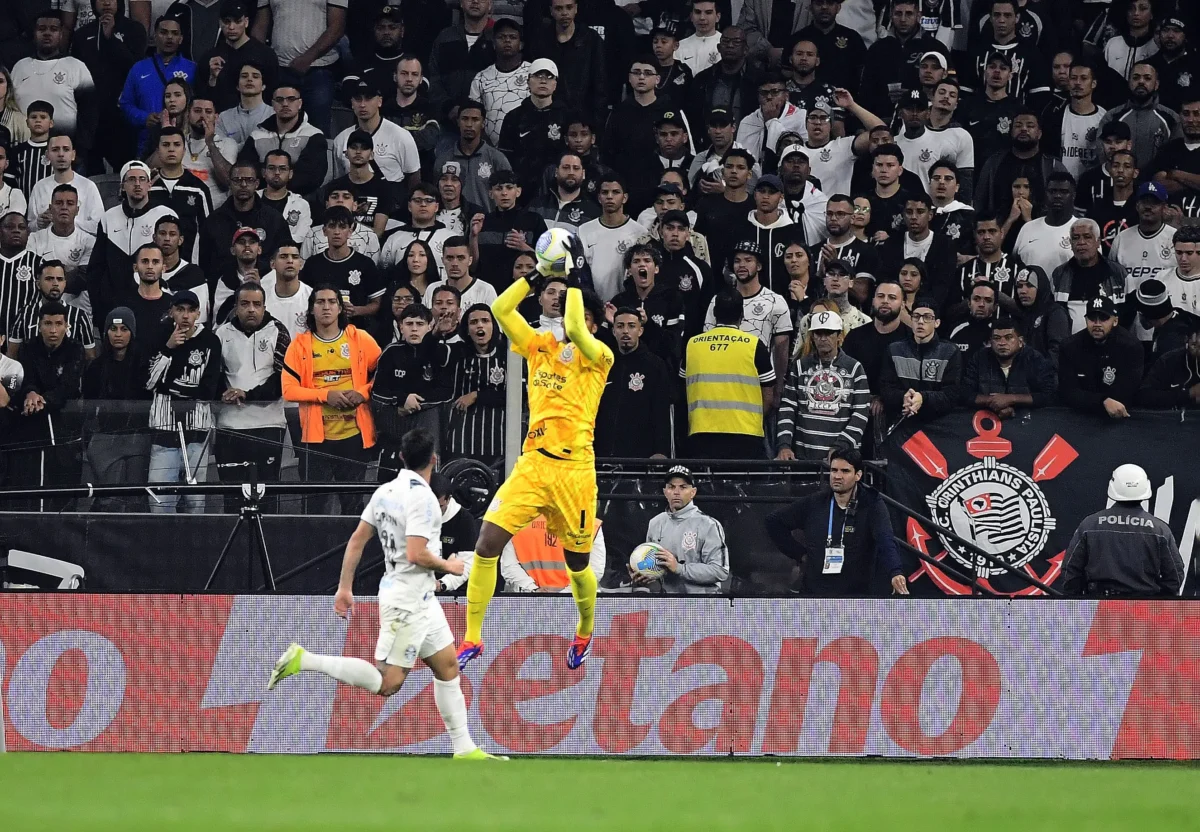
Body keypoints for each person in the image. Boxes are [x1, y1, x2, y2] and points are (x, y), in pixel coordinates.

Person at [267, 428, 506, 761]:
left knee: (448, 666)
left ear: (402, 457)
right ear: (434, 460)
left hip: (419, 596)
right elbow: (416, 554)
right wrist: (449, 567)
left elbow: (357, 540)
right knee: (387, 684)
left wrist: (345, 587)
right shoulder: (424, 499)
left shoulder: (384, 492)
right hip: (407, 600)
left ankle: (464, 748)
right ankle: (304, 660)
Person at [456, 250, 614, 671]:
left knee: (577, 563)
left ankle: (584, 631)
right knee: (487, 544)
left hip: (575, 471)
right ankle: (472, 637)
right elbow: (500, 309)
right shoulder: (540, 348)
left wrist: (576, 271)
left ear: (596, 325)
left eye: (572, 313)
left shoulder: (599, 356)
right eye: (560, 314)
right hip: (533, 465)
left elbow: (579, 326)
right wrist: (536, 274)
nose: (565, 321)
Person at [281, 285, 382, 515]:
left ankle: (352, 552)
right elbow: (288, 390)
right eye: (320, 302)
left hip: (354, 437)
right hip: (315, 440)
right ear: (311, 309)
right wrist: (326, 396)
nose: (326, 307)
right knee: (315, 507)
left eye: (332, 302)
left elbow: (383, 374)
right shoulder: (299, 345)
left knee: (354, 507)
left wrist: (363, 392)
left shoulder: (360, 339)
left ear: (340, 308)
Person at [765, 447, 908, 597]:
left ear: (858, 475)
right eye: (834, 470)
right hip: (815, 593)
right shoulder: (815, 502)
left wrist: (895, 572)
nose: (837, 476)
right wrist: (799, 554)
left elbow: (885, 539)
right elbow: (773, 522)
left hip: (855, 595)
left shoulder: (871, 503)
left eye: (845, 471)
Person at [145, 290, 222, 514]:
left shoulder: (210, 341)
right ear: (172, 312)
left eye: (190, 310)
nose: (185, 316)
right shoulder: (160, 336)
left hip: (197, 431)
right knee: (159, 501)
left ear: (198, 313)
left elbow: (208, 389)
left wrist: (170, 387)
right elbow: (149, 383)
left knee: (195, 502)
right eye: (180, 310)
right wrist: (168, 349)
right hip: (164, 429)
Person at [1061, 463, 1184, 597]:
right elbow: (1175, 575)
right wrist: (1158, 603)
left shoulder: (1090, 525)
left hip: (1099, 607)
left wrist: (1077, 601)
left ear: (1112, 486)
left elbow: (1071, 571)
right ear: (1146, 487)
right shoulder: (1160, 530)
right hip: (1144, 610)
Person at [214, 280, 290, 488]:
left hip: (268, 424)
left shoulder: (278, 331)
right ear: (236, 306)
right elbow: (213, 375)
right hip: (230, 425)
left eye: (257, 304)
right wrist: (223, 392)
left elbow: (282, 380)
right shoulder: (221, 334)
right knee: (231, 494)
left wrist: (247, 394)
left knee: (267, 493)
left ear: (264, 306)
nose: (251, 310)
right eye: (245, 304)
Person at [683, 290, 776, 458]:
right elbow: (768, 395)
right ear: (742, 314)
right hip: (746, 435)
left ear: (714, 313)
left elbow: (681, 389)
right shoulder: (754, 345)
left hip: (702, 433)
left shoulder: (692, 345)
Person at [87, 161, 175, 326]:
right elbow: (96, 269)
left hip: (154, 304)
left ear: (150, 184)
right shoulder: (108, 218)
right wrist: (99, 308)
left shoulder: (165, 215)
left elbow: (173, 262)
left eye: (142, 179)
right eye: (132, 179)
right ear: (122, 185)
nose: (137, 184)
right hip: (113, 306)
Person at [371, 302, 453, 477]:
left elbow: (447, 392)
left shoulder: (442, 352)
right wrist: (402, 399)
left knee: (424, 474)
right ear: (400, 327)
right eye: (409, 324)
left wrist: (415, 403)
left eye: (420, 324)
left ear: (430, 326)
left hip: (427, 421)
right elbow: (378, 391)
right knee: (389, 479)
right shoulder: (391, 352)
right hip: (395, 420)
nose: (414, 329)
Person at [81, 306, 151, 511]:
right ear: (106, 333)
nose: (118, 334)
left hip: (138, 438)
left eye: (124, 329)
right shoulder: (96, 368)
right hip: (106, 439)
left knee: (135, 500)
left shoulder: (145, 365)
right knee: (110, 500)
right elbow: (89, 406)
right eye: (113, 329)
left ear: (133, 332)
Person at [775, 309, 870, 461]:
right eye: (818, 333)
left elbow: (861, 413)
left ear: (839, 336)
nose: (823, 338)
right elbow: (787, 408)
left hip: (841, 459)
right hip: (803, 457)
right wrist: (784, 445)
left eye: (828, 333)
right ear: (812, 337)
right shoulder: (799, 366)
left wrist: (841, 447)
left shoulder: (855, 368)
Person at [71, 0, 147, 174]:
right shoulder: (82, 34)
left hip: (123, 115)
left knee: (126, 170)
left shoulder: (134, 29)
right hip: (91, 118)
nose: (106, 3)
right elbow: (75, 71)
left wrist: (111, 37)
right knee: (92, 172)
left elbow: (135, 67)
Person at [628, 465, 730, 594]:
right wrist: (642, 573)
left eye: (683, 487)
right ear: (665, 492)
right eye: (671, 487)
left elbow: (720, 571)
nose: (676, 492)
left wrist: (680, 568)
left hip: (703, 605)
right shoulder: (655, 523)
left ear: (693, 492)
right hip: (667, 604)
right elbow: (655, 568)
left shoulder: (709, 525)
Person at [250, 0, 347, 133]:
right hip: (279, 68)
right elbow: (260, 25)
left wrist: (307, 58)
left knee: (317, 129)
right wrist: (260, 61)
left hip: (319, 69)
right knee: (275, 129)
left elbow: (337, 27)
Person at [13, 11, 97, 158]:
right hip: (23, 153)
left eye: (53, 29)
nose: (47, 33)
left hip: (64, 153)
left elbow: (89, 113)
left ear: (61, 34)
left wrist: (81, 150)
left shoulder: (76, 66)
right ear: (34, 33)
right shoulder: (20, 67)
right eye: (42, 29)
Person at [595, 306, 672, 459]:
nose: (625, 331)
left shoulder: (654, 365)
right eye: (620, 326)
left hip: (640, 454)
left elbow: (661, 412)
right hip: (602, 451)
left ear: (640, 331)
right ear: (613, 331)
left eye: (631, 326)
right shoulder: (603, 363)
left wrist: (661, 450)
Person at [197, 160, 290, 280]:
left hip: (265, 286)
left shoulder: (273, 219)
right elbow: (205, 263)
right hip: (222, 289)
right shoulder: (214, 220)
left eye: (249, 180)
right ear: (229, 183)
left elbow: (284, 256)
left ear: (257, 183)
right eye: (237, 180)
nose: (243, 184)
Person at [879, 295, 963, 425]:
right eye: (916, 316)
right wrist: (904, 397)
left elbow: (951, 395)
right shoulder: (894, 350)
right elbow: (886, 389)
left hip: (938, 425)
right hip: (902, 421)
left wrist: (923, 398)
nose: (921, 321)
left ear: (937, 323)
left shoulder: (950, 352)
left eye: (928, 317)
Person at [1058, 295, 1143, 419]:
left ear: (1115, 321)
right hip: (1079, 416)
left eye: (1103, 318)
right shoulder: (1070, 346)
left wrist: (1103, 401)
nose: (1097, 324)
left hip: (1120, 416)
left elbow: (1129, 390)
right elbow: (1068, 391)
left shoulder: (1131, 347)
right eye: (1092, 318)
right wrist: (1102, 401)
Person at [118, 15, 195, 152]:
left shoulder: (192, 69)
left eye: (175, 33)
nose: (169, 37)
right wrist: (144, 118)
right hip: (146, 143)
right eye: (164, 32)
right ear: (154, 37)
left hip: (184, 144)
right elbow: (125, 104)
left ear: (181, 38)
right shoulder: (138, 68)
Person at [301, 207, 385, 331]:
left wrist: (357, 310)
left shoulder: (365, 264)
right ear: (324, 231)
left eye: (342, 227)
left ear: (350, 231)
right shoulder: (312, 264)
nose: (337, 232)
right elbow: (302, 300)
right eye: (332, 226)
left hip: (356, 330)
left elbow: (377, 303)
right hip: (319, 331)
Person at [238, 82, 328, 195]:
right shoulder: (257, 135)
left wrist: (278, 193)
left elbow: (311, 178)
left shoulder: (313, 135)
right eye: (279, 99)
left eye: (291, 99)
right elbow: (246, 171)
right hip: (260, 199)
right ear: (273, 104)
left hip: (300, 200)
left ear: (300, 103)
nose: (285, 104)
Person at [444, 303, 506, 467]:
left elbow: (517, 395)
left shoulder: (508, 356)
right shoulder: (457, 352)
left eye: (485, 320)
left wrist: (477, 395)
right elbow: (430, 354)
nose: (480, 325)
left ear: (494, 326)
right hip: (463, 436)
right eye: (474, 322)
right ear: (466, 329)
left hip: (497, 438)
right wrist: (437, 333)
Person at [962, 315, 1057, 417]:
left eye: (1008, 338)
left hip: (1029, 424)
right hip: (987, 420)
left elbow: (1048, 395)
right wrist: (993, 401)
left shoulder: (1035, 359)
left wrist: (1011, 399)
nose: (1002, 343)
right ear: (990, 342)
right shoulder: (979, 358)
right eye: (997, 338)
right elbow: (965, 393)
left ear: (1020, 342)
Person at [332, 79, 420, 188]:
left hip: (391, 198)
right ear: (352, 103)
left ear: (380, 101)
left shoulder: (401, 136)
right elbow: (339, 180)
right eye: (358, 99)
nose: (363, 104)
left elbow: (414, 178)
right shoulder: (340, 140)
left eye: (368, 98)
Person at [470, 169, 547, 292]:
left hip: (525, 290)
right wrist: (473, 236)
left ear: (518, 191)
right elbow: (472, 266)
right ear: (490, 193)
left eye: (509, 188)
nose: (504, 193)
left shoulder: (534, 221)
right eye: (499, 189)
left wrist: (525, 248)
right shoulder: (483, 222)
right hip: (488, 291)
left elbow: (548, 262)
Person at [195, 0, 277, 112]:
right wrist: (212, 79)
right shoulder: (210, 57)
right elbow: (201, 97)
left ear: (246, 22)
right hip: (219, 120)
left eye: (237, 21)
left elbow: (274, 92)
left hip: (257, 119)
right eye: (227, 21)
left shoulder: (265, 55)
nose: (231, 27)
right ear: (220, 23)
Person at [1097, 62, 1181, 169]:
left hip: (1156, 183)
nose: (1141, 82)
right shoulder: (1112, 116)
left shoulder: (1171, 118)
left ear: (1156, 84)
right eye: (1136, 78)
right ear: (1129, 82)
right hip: (1119, 181)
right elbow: (1102, 151)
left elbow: (1178, 155)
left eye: (1147, 78)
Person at [5, 260, 95, 360]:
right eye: (49, 279)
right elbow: (12, 356)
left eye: (60, 279)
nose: (55, 283)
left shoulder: (79, 316)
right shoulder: (25, 314)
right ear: (38, 284)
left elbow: (90, 357)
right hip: (31, 374)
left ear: (65, 283)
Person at [147, 127, 213, 263]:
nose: (171, 149)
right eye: (165, 145)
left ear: (184, 150)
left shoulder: (198, 189)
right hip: (151, 266)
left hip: (188, 267)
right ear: (158, 151)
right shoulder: (148, 187)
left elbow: (208, 233)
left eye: (176, 145)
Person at [1051, 218, 1128, 333]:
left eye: (1087, 237)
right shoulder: (1059, 275)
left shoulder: (1117, 273)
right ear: (1071, 244)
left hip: (1110, 345)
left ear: (1098, 242)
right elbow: (1054, 314)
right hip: (1069, 345)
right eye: (1076, 238)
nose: (1081, 242)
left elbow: (1128, 312)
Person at [578, 176, 648, 302]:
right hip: (593, 305)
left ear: (624, 198)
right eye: (605, 192)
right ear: (599, 198)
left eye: (615, 192)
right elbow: (581, 272)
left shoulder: (640, 233)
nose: (610, 196)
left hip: (627, 306)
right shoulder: (584, 230)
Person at [433, 100, 513, 211]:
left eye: (475, 120)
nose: (469, 124)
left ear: (483, 123)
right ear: (458, 122)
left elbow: (509, 197)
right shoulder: (443, 160)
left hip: (487, 224)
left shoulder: (497, 159)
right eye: (465, 119)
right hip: (453, 224)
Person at [499, 512, 607, 593]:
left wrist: (533, 590)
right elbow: (595, 571)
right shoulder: (589, 524)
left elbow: (509, 567)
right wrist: (564, 595)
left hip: (529, 603)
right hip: (575, 604)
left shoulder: (516, 522)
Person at [25, 134, 104, 235]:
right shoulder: (40, 187)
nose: (61, 154)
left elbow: (99, 226)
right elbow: (30, 226)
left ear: (73, 155)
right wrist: (39, 223)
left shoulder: (88, 186)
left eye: (66, 149)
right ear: (47, 155)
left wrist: (65, 221)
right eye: (55, 150)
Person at [468, 18, 530, 146]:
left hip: (527, 149)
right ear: (494, 44)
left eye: (512, 37)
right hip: (490, 150)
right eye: (501, 37)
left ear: (521, 44)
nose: (507, 40)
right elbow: (474, 117)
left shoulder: (533, 73)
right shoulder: (481, 78)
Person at [1013, 265, 1070, 368]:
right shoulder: (1020, 315)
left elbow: (1058, 351)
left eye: (1029, 285)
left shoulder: (1055, 313)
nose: (1023, 291)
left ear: (1041, 287)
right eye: (1019, 286)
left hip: (1046, 378)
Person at [1139, 315, 1200, 409]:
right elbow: (1145, 396)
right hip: (1173, 419)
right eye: (1194, 344)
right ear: (1187, 339)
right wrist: (1189, 393)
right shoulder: (1169, 360)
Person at [259, 150, 312, 244]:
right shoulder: (253, 198)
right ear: (263, 172)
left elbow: (300, 238)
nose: (277, 173)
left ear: (290, 173)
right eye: (271, 168)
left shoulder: (301, 205)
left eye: (282, 168)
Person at [214, 61, 272, 146]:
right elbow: (220, 148)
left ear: (263, 86)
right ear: (237, 86)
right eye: (244, 76)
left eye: (255, 76)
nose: (249, 79)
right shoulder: (224, 117)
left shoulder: (273, 115)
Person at [263, 242, 311, 340]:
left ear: (301, 264)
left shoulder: (312, 297)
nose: (290, 261)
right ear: (272, 264)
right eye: (283, 257)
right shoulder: (263, 297)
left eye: (295, 257)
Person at [11, 101, 55, 200]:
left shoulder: (57, 150)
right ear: (27, 122)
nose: (38, 121)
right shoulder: (17, 151)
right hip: (23, 206)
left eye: (43, 117)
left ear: (51, 123)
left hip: (50, 207)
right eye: (34, 117)